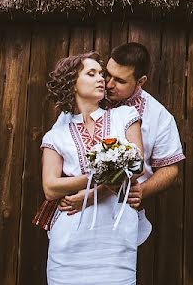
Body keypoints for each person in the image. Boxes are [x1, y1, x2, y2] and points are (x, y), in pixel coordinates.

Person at [34, 42, 185, 247]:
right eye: (108, 74)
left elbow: (170, 169)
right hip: (74, 215)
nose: (109, 84)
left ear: (140, 81)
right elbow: (57, 152)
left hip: (119, 213)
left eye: (120, 80)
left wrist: (143, 190)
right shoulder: (79, 106)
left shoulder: (158, 116)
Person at [40, 52, 143, 285]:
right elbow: (50, 187)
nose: (101, 80)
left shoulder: (125, 117)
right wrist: (99, 175)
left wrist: (90, 193)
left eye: (101, 73)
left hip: (116, 240)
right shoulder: (56, 135)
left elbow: (136, 166)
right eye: (91, 73)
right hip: (69, 241)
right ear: (72, 84)